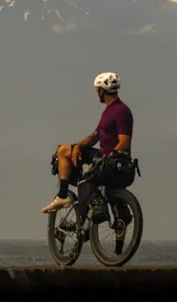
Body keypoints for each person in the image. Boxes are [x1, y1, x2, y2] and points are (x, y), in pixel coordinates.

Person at [41, 72, 133, 214]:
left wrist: (104, 160)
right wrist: (78, 146)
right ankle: (62, 196)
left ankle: (85, 210)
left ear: (102, 91)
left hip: (112, 160)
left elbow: (124, 143)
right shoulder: (108, 111)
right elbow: (95, 136)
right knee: (63, 151)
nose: (98, 94)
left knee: (88, 185)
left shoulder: (121, 111)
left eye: (98, 91)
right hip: (102, 156)